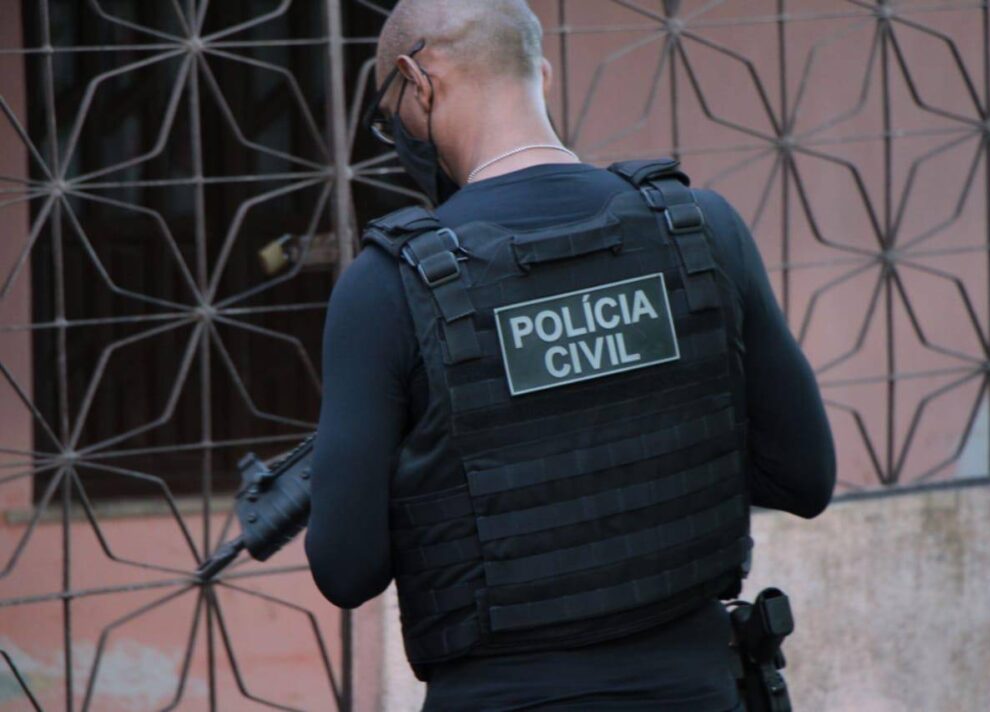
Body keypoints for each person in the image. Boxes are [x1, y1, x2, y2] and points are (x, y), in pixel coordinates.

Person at [304, 1, 836, 709]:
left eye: (390, 113)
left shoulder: (386, 285)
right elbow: (804, 477)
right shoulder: (700, 229)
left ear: (418, 81)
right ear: (542, 76)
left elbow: (346, 568)